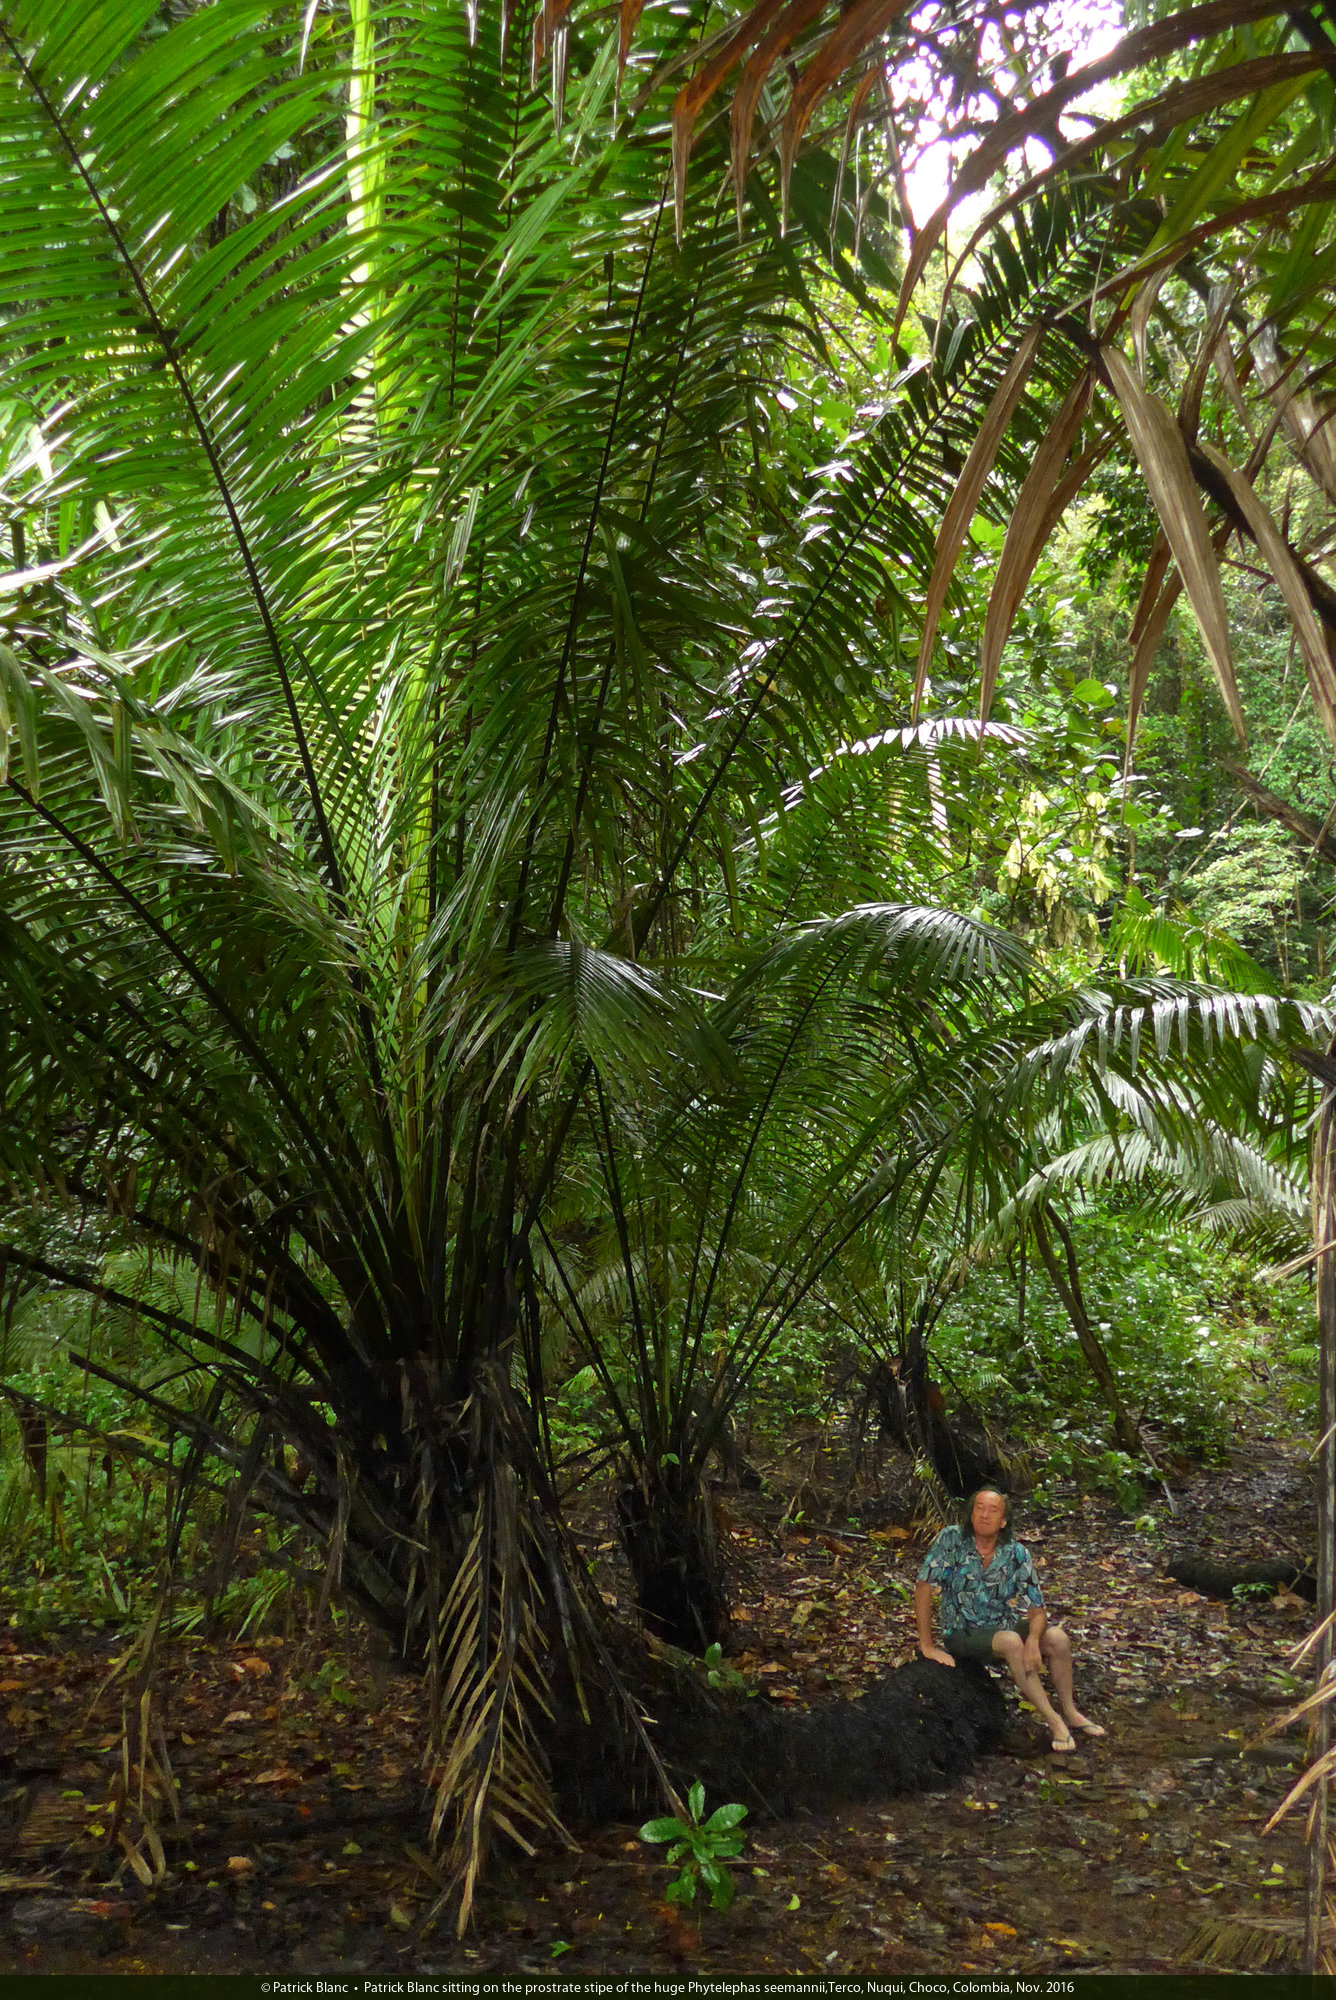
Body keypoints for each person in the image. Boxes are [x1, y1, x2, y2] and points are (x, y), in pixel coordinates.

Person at [913, 1485, 1105, 1754]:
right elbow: (923, 1588)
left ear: (1003, 1521)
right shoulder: (951, 1540)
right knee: (1012, 1641)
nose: (984, 1515)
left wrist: (1034, 1641)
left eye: (993, 1510)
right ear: (971, 1514)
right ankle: (1054, 1720)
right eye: (979, 1508)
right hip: (962, 1631)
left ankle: (1070, 1711)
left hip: (1003, 1624)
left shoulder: (1016, 1553)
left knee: (1057, 1639)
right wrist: (927, 1644)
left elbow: (1037, 1609)